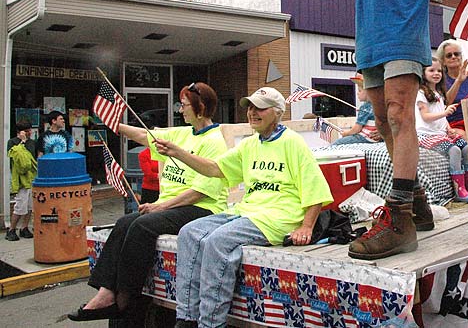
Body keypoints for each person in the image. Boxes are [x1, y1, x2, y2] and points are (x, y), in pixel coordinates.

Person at [255, 0, 468, 259]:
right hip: (368, 44)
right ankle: (418, 201)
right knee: (383, 124)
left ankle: (400, 220)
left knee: (399, 115)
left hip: (404, 36)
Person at [153, 87, 333, 328]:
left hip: (278, 216)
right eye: (250, 107)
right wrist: (178, 152)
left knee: (218, 241)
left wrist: (306, 226)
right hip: (247, 211)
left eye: (260, 108)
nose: (252, 113)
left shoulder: (293, 142)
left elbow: (315, 188)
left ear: (277, 112)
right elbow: (214, 169)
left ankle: (211, 323)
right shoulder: (249, 144)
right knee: (188, 233)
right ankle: (186, 318)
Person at [68, 83, 228, 323]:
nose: (180, 110)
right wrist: (114, 124)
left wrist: (161, 206)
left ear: (201, 107)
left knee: (143, 225)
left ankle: (125, 297)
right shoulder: (182, 133)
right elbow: (145, 135)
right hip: (172, 204)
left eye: (184, 105)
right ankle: (106, 292)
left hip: (202, 208)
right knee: (124, 222)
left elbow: (199, 192)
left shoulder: (215, 141)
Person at [416, 58, 468, 202]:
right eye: (431, 70)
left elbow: (442, 118)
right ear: (423, 73)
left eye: (439, 71)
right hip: (426, 135)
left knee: (466, 147)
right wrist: (445, 112)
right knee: (454, 150)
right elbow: (426, 117)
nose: (436, 73)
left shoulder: (439, 93)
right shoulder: (421, 93)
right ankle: (459, 189)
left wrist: (449, 129)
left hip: (441, 134)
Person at [6, 122, 39, 241]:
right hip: (21, 179)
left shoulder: (32, 143)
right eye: (27, 131)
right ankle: (11, 229)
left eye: (30, 130)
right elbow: (20, 158)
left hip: (31, 178)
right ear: (20, 132)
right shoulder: (12, 143)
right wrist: (22, 142)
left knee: (30, 206)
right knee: (20, 206)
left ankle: (24, 228)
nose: (30, 133)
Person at [332, 73, 380, 145]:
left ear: (369, 92)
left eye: (360, 91)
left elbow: (357, 128)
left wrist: (346, 133)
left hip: (365, 137)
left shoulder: (365, 107)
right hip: (376, 138)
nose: (357, 93)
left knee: (337, 143)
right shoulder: (378, 105)